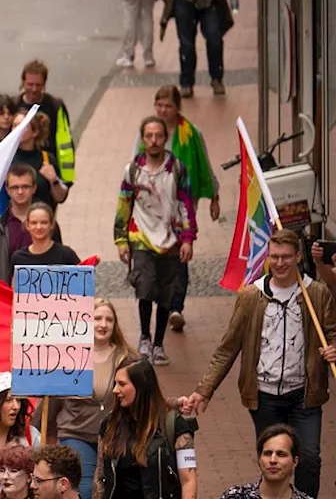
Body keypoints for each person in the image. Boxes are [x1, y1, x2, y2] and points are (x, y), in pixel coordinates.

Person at [184, 229, 336, 498]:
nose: (280, 263)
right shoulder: (251, 297)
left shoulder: (318, 294)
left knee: (309, 458)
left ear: (298, 257)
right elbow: (227, 348)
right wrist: (204, 389)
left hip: (305, 395)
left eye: (286, 257)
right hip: (264, 396)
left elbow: (332, 335)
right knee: (273, 460)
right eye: (274, 257)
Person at [114, 117, 196, 366]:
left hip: (170, 241)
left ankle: (159, 343)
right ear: (142, 139)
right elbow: (123, 206)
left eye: (158, 135)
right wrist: (121, 240)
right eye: (148, 136)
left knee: (165, 293)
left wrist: (187, 238)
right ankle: (145, 338)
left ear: (164, 138)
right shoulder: (133, 171)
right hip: (141, 239)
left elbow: (186, 205)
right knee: (146, 288)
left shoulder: (178, 169)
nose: (153, 141)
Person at [36, 299, 134, 498]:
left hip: (115, 433)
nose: (103, 324)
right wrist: (35, 430)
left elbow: (142, 393)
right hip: (76, 432)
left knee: (117, 486)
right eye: (97, 318)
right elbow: (52, 397)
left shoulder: (127, 359)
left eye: (109, 320)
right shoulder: (70, 355)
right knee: (85, 489)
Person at [149, 85, 218, 332]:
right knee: (157, 253)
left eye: (168, 105)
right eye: (159, 105)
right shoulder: (148, 132)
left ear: (177, 106)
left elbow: (204, 165)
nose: (163, 110)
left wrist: (214, 195)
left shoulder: (191, 134)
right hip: (152, 206)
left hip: (182, 204)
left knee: (180, 251)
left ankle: (176, 306)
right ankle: (161, 300)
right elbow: (134, 163)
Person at [95, 359, 197, 499]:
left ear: (141, 387)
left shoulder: (174, 426)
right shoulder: (109, 425)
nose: (115, 390)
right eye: (115, 383)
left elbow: (188, 481)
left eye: (122, 384)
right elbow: (100, 477)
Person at [218, 425, 312, 499]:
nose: (272, 460)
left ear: (294, 462)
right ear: (259, 459)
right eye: (267, 453)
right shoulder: (235, 496)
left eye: (281, 454)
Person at [10, 203, 79, 268]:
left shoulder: (66, 255)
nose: (39, 227)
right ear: (27, 225)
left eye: (44, 222)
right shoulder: (18, 258)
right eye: (34, 223)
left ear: (52, 225)